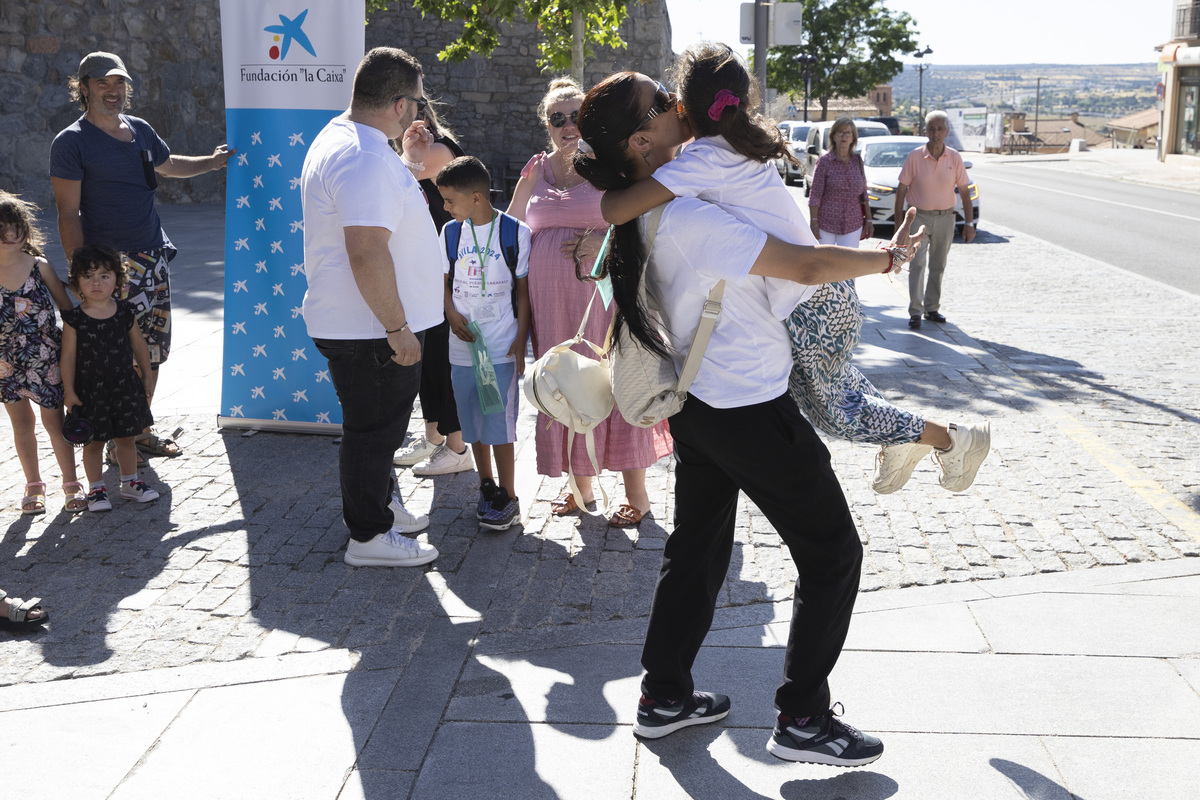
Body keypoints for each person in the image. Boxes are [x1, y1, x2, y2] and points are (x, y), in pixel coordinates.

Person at [576, 69, 926, 767]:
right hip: (747, 406)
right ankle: (802, 716)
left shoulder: (665, 200)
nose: (680, 105)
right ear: (643, 138)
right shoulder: (692, 216)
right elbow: (803, 264)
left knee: (697, 553)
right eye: (662, 102)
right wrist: (886, 257)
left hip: (701, 404)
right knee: (833, 555)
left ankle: (664, 697)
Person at [600, 45, 991, 495]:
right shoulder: (736, 149)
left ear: (685, 110)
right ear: (743, 105)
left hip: (813, 301)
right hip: (824, 300)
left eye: (670, 100)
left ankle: (954, 439)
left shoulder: (702, 160)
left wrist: (888, 259)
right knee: (843, 387)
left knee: (835, 412)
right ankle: (908, 438)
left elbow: (616, 209)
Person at [49, 51, 234, 462]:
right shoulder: (72, 142)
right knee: (116, 353)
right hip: (110, 268)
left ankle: (138, 429)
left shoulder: (140, 130)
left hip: (152, 257)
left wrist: (214, 162)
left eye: (119, 84)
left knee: (151, 349)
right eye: (103, 83)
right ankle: (119, 440)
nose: (113, 91)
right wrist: (84, 275)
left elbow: (169, 166)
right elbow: (67, 212)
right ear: (84, 88)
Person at [507, 77, 671, 528]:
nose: (567, 125)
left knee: (612, 383)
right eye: (557, 118)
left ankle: (637, 497)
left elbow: (642, 222)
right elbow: (513, 226)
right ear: (547, 124)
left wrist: (602, 237)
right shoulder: (535, 169)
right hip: (548, 304)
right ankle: (580, 489)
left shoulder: (611, 165)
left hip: (600, 299)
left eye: (576, 116)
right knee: (562, 383)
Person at [300, 46, 441, 569]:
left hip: (366, 324)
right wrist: (398, 328)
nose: (422, 112)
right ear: (401, 103)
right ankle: (368, 536)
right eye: (419, 103)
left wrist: (404, 162)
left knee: (378, 426)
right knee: (374, 430)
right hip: (372, 328)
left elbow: (371, 212)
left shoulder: (351, 140)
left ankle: (379, 508)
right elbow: (365, 249)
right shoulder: (362, 156)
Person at [437, 156, 531, 530]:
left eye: (449, 200)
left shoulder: (515, 232)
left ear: (476, 197)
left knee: (499, 422)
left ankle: (509, 495)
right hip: (462, 344)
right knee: (473, 419)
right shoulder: (450, 233)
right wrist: (450, 313)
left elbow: (523, 291)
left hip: (500, 344)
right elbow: (442, 282)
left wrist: (521, 338)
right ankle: (486, 485)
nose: (445, 207)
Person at [392, 103, 474, 478]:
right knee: (429, 360)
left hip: (447, 270)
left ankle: (457, 447)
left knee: (441, 358)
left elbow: (394, 187)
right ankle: (433, 438)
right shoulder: (413, 154)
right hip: (427, 270)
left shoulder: (437, 152)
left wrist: (405, 155)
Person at [0, 192, 85, 514]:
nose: (11, 234)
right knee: (21, 424)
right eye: (3, 227)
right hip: (4, 363)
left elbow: (69, 313)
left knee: (54, 423)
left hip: (45, 358)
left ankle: (71, 483)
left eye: (16, 225)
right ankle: (33, 484)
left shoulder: (40, 267)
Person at [60, 245, 161, 512]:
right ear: (76, 282)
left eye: (104, 275)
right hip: (90, 391)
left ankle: (130, 484)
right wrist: (69, 392)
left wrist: (147, 377)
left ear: (118, 279)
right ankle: (96, 489)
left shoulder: (125, 312)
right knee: (93, 442)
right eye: (88, 276)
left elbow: (140, 346)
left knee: (127, 438)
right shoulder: (74, 319)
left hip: (124, 387)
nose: (96, 282)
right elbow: (68, 358)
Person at [894, 109, 976, 330]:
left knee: (938, 265)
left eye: (940, 128)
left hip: (945, 219)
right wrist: (900, 226)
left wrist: (969, 224)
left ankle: (932, 308)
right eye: (932, 128)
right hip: (919, 216)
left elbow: (965, 193)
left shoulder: (955, 157)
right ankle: (915, 311)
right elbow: (901, 191)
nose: (936, 132)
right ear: (925, 131)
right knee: (918, 263)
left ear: (946, 131)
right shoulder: (914, 157)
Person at [808, 117, 873, 246]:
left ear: (853, 137)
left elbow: (864, 193)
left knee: (848, 263)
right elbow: (815, 195)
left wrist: (869, 220)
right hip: (826, 223)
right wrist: (814, 222)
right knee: (826, 263)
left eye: (848, 133)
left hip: (853, 223)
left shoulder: (858, 161)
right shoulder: (824, 162)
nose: (844, 136)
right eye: (840, 132)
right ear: (834, 136)